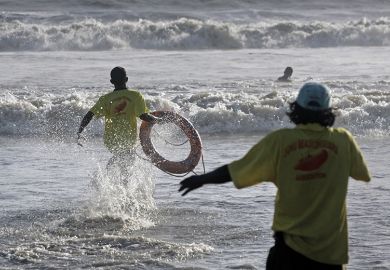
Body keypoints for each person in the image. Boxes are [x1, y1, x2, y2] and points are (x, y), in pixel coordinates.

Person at [178, 82, 370, 269]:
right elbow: (362, 174)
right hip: (331, 254)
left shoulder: (280, 141)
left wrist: (202, 179)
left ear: (297, 109)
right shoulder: (343, 140)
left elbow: (238, 170)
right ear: (328, 110)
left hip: (289, 251)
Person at [77, 66, 162, 173]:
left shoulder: (105, 99)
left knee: (122, 159)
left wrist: (79, 131)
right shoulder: (135, 95)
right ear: (126, 79)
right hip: (129, 139)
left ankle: (111, 174)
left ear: (111, 81)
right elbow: (143, 116)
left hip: (111, 142)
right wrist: (159, 120)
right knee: (128, 164)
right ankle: (118, 179)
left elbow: (89, 115)